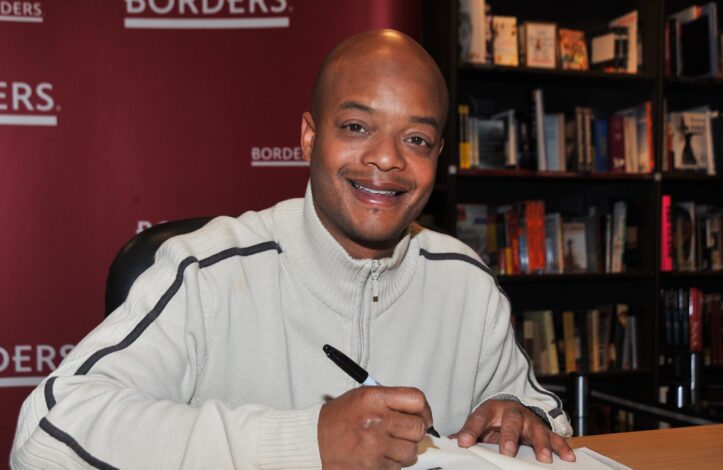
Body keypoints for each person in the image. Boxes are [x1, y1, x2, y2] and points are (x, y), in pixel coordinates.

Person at [11, 30, 573, 469]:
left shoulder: (466, 281)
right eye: (356, 127)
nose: (386, 158)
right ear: (309, 136)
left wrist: (520, 418)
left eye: (416, 139)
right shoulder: (205, 270)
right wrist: (307, 442)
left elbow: (544, 414)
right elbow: (47, 433)